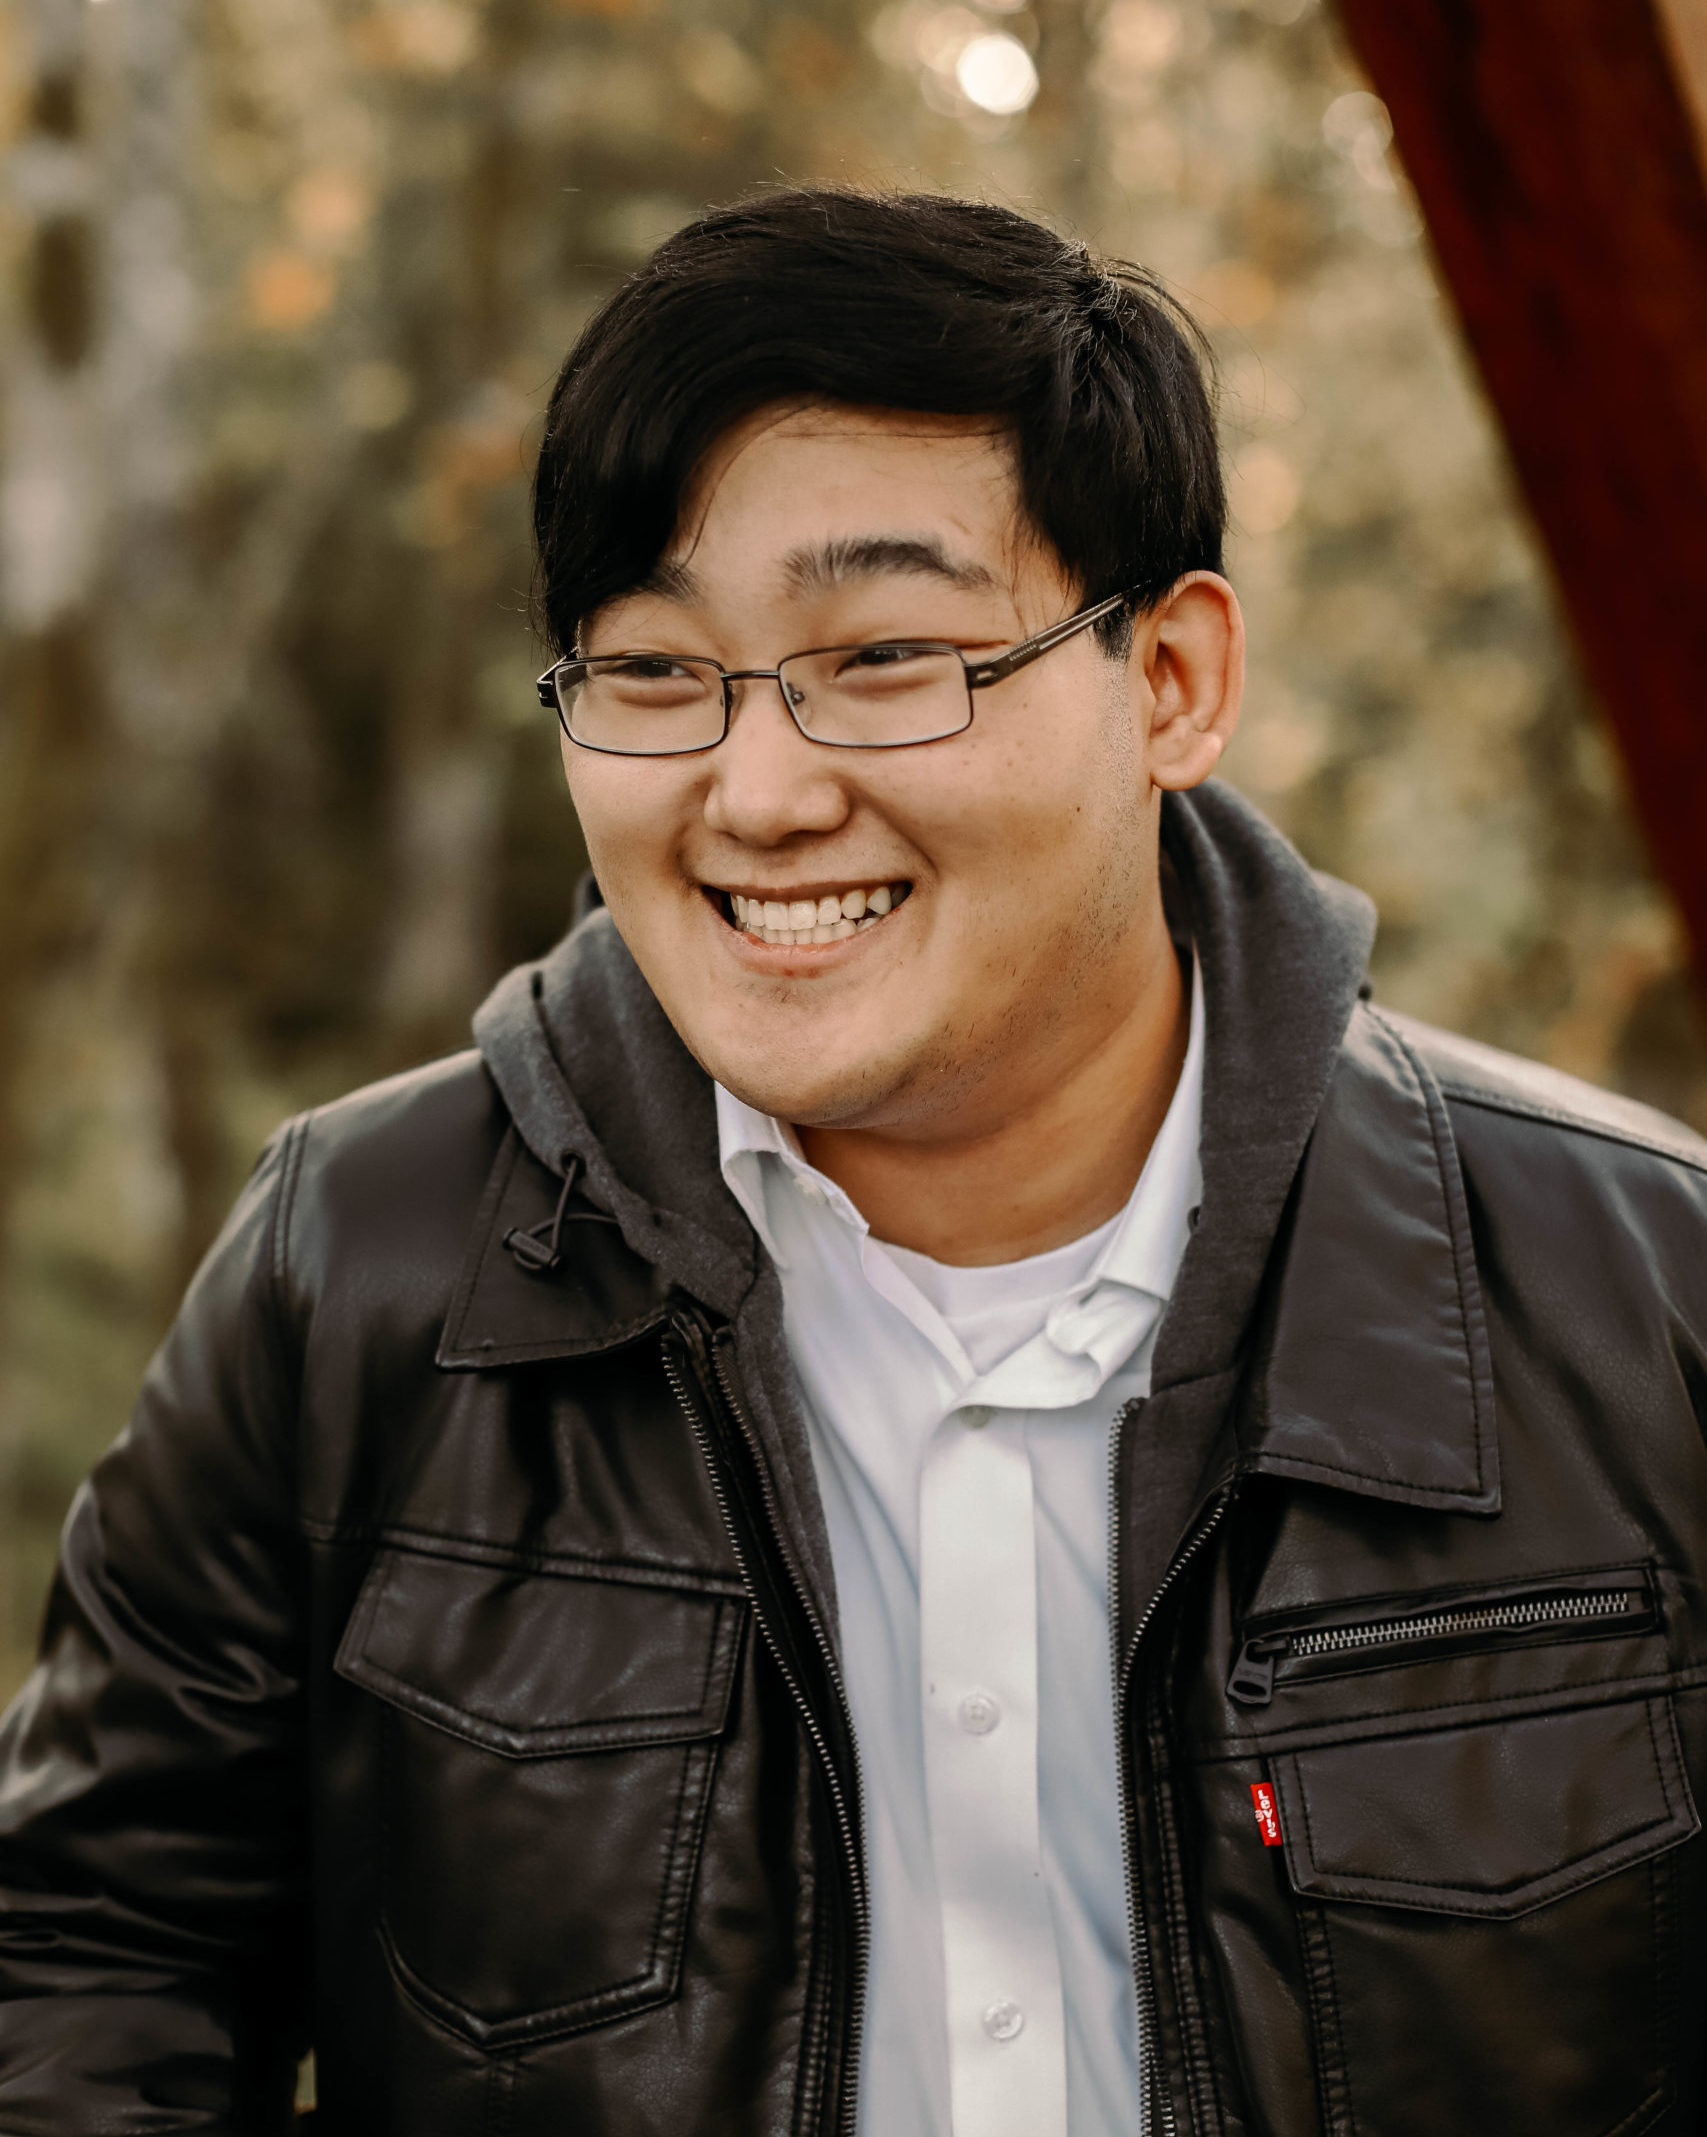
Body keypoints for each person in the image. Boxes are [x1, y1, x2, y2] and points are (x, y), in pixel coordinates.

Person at [1, 188, 1705, 2137]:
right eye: (652, 671)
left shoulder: (1631, 1291)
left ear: (1170, 682)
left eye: (883, 655)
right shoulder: (359, 1272)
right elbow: (85, 1953)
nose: (758, 792)